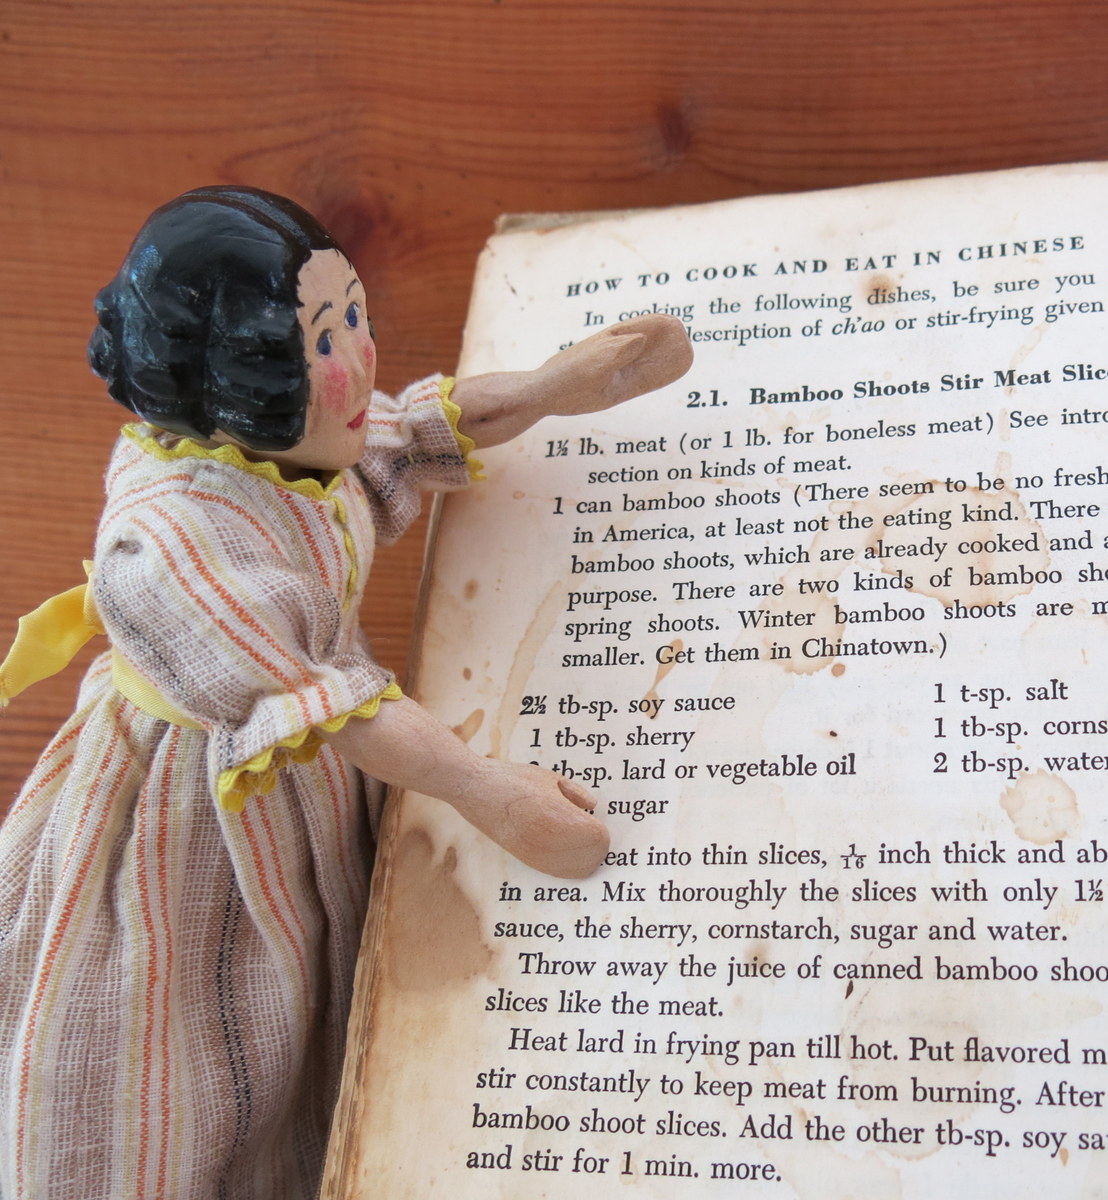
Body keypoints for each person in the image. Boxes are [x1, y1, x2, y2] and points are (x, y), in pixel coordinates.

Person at [0, 186, 690, 1198]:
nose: (360, 359)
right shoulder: (172, 538)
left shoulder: (291, 455)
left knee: (321, 986)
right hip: (199, 802)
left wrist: (552, 387)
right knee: (197, 1036)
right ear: (236, 374)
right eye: (323, 338)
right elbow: (334, 706)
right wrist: (491, 791)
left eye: (355, 317)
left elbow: (407, 436)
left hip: (310, 773)